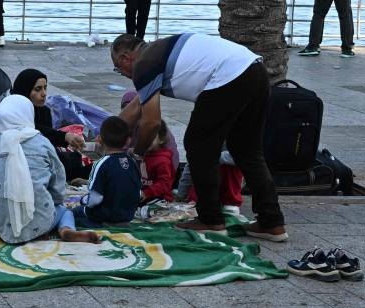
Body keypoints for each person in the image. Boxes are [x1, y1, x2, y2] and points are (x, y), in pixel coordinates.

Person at [112, 33, 288, 241]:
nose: (122, 73)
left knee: (198, 145)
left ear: (124, 58)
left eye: (118, 68)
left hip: (229, 76)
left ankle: (210, 219)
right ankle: (272, 222)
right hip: (255, 69)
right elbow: (134, 109)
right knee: (246, 151)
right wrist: (105, 136)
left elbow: (151, 123)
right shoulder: (158, 51)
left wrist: (137, 155)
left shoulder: (144, 63)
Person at [0, 95, 100, 244]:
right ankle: (67, 230)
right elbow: (58, 184)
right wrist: (52, 201)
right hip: (40, 223)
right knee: (63, 210)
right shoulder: (43, 143)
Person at [11, 68, 91, 180]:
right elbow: (31, 129)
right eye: (38, 89)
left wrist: (67, 142)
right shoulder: (13, 110)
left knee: (73, 159)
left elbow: (48, 142)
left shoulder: (44, 111)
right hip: (22, 158)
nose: (44, 94)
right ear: (25, 90)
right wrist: (64, 136)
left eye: (45, 88)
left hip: (43, 155)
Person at [71, 116, 141, 227]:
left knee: (70, 214)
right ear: (128, 140)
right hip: (127, 216)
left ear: (100, 139)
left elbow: (95, 199)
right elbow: (138, 191)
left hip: (105, 217)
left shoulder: (102, 163)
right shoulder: (132, 162)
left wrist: (83, 200)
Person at [140, 120, 175, 203]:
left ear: (161, 140)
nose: (146, 139)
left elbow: (164, 184)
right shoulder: (142, 154)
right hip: (145, 195)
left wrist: (146, 193)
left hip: (160, 199)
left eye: (151, 136)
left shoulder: (163, 161)